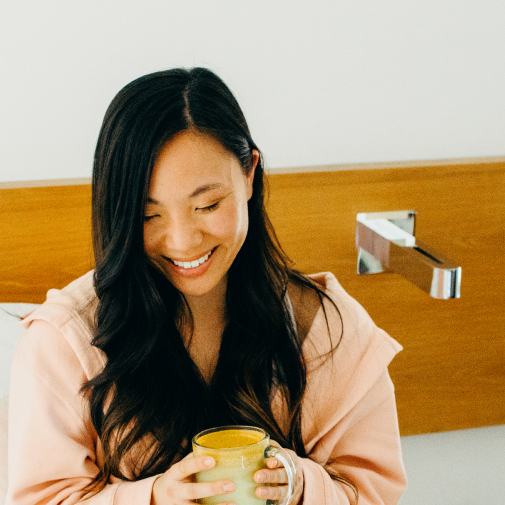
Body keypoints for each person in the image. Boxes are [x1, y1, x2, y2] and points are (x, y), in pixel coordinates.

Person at [7, 67, 407, 505]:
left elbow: (375, 493)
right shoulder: (64, 344)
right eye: (148, 215)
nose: (182, 241)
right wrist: (154, 497)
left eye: (207, 205)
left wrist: (300, 486)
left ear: (250, 174)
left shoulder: (326, 328)